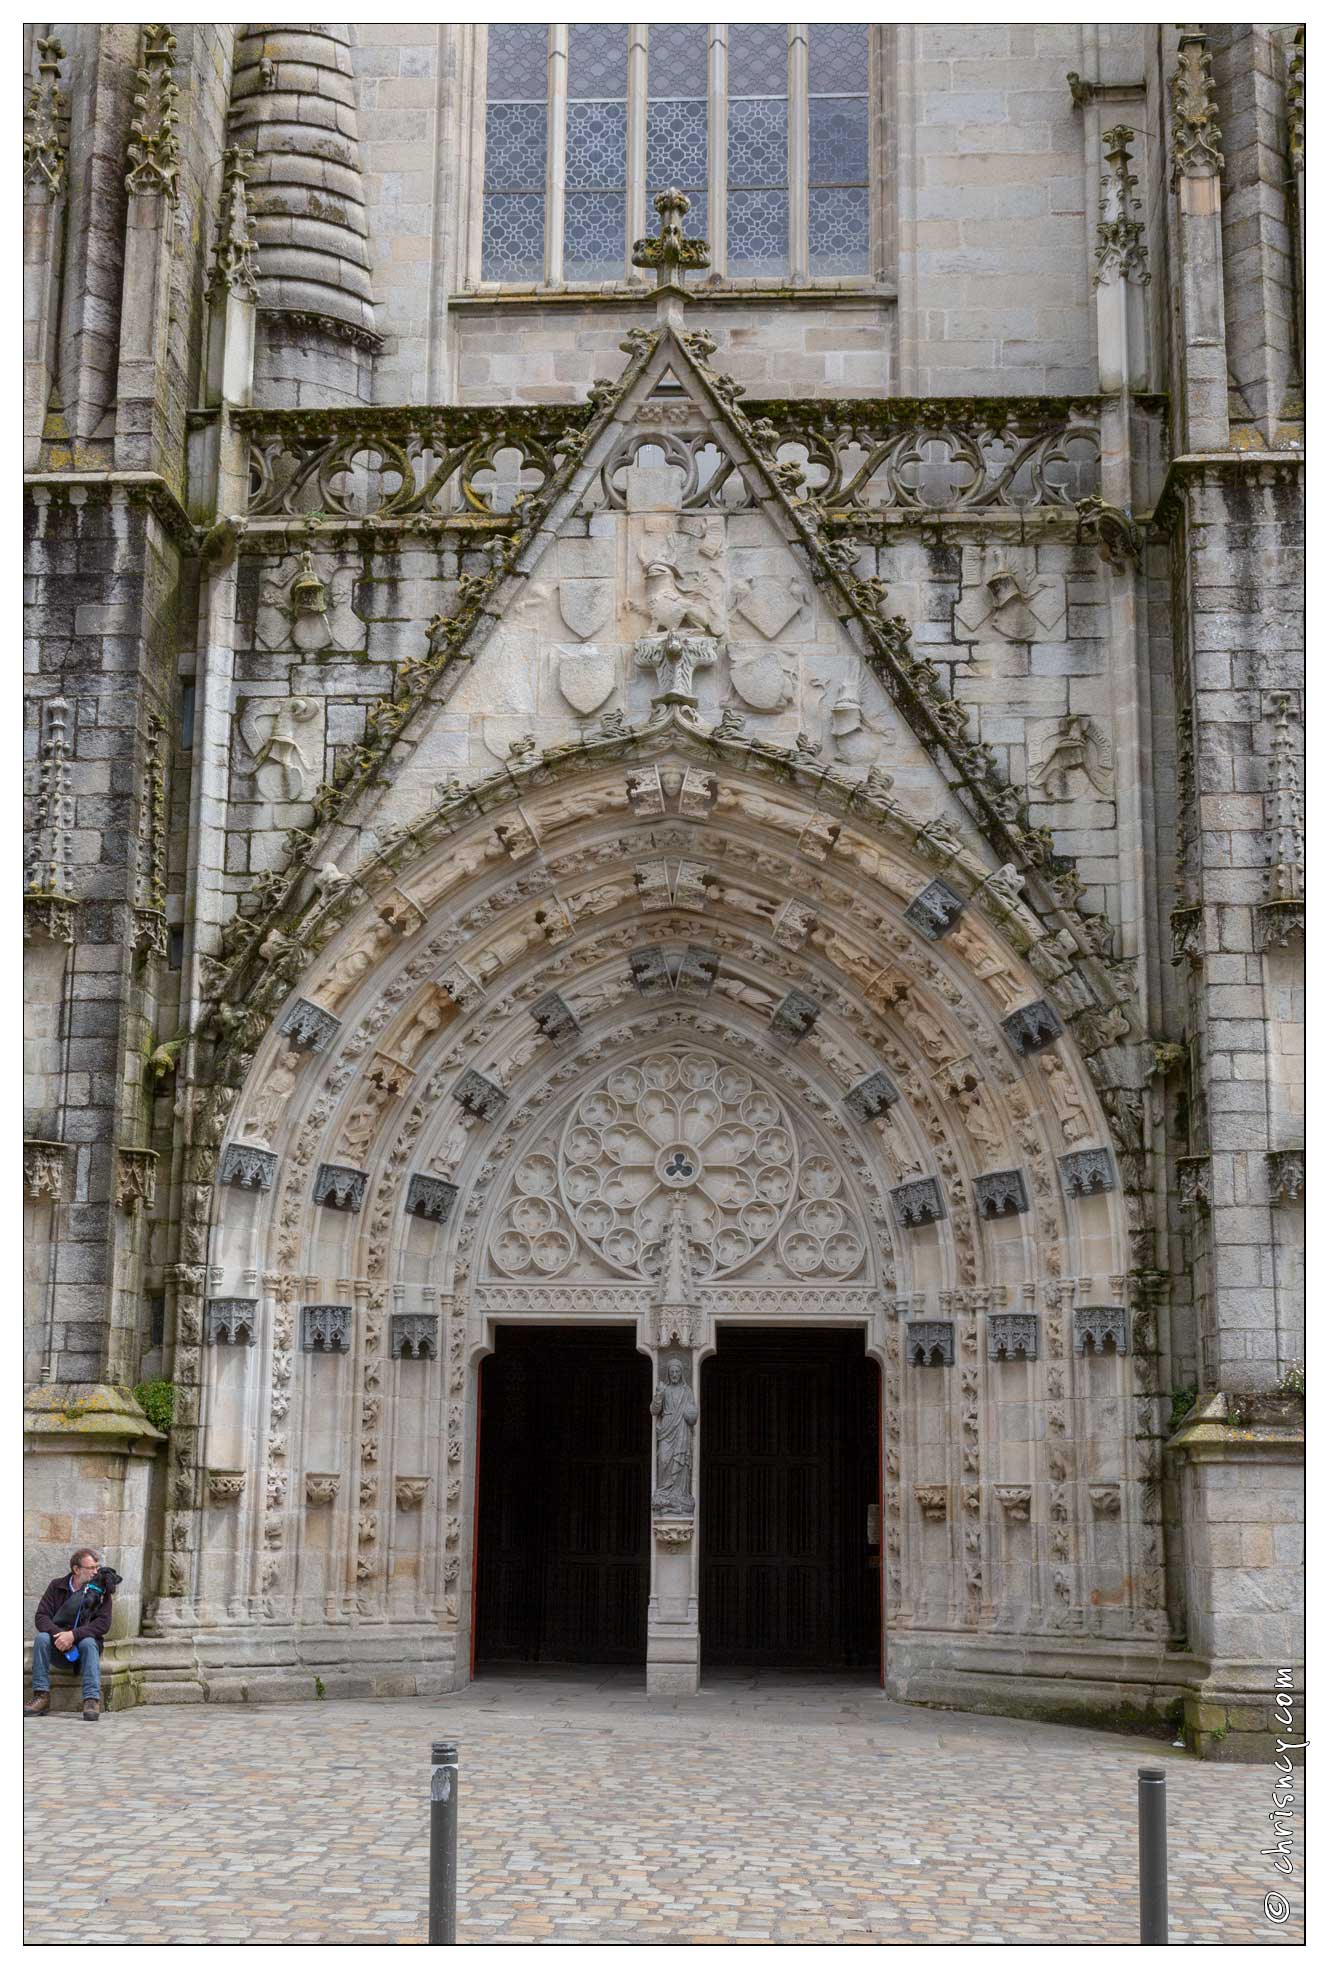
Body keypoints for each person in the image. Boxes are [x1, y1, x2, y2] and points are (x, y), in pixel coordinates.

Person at [25, 1549, 116, 1721]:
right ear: (76, 1569)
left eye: (97, 1567)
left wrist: (73, 1635)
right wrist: (60, 1635)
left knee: (89, 1642)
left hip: (83, 1650)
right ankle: (41, 1696)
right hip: (58, 1647)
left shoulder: (101, 1591)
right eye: (90, 1568)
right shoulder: (56, 1586)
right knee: (42, 1638)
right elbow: (41, 1616)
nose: (96, 1572)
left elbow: (103, 1624)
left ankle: (91, 1699)